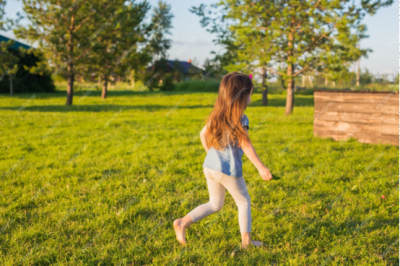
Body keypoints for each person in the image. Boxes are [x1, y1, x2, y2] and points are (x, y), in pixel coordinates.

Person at [173, 72, 273, 248]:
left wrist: (210, 154)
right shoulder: (241, 118)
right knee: (243, 202)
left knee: (215, 204)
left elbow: (202, 134)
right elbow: (246, 145)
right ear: (242, 96)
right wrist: (261, 167)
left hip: (210, 166)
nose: (251, 98)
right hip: (228, 169)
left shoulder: (217, 114)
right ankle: (246, 243)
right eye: (250, 94)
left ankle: (182, 223)